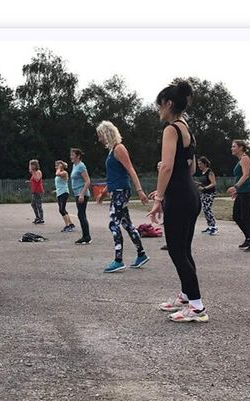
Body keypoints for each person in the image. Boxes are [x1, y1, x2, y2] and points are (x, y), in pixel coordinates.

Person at [147, 80, 207, 322]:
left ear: (169, 103)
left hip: (179, 198)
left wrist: (159, 197)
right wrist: (166, 176)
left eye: (160, 105)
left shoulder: (171, 129)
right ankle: (186, 296)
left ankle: (197, 307)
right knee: (183, 249)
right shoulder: (187, 129)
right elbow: (190, 168)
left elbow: (168, 167)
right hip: (189, 194)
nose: (159, 110)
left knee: (176, 250)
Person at [95, 121, 150, 272]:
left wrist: (139, 190)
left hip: (121, 192)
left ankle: (118, 260)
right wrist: (104, 193)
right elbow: (113, 177)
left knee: (114, 223)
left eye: (100, 136)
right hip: (116, 190)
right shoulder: (111, 150)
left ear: (107, 133)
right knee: (127, 224)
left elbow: (130, 170)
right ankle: (141, 254)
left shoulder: (119, 148)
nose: (99, 139)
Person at [228, 140, 250, 251]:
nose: (232, 148)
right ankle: (248, 238)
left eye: (233, 146)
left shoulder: (245, 159)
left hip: (247, 192)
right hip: (242, 192)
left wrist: (235, 187)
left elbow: (246, 176)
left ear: (240, 148)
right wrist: (237, 191)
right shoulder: (240, 160)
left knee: (245, 217)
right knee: (236, 216)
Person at [69, 148, 92, 244]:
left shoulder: (81, 166)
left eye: (72, 155)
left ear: (78, 156)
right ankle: (86, 236)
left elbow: (87, 181)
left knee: (81, 214)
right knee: (81, 214)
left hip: (82, 194)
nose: (71, 156)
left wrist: (82, 194)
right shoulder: (75, 166)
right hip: (77, 193)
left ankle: (86, 237)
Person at [195, 156, 218, 235]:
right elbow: (204, 182)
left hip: (210, 193)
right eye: (198, 164)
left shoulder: (209, 172)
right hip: (204, 193)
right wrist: (197, 184)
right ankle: (210, 226)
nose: (199, 165)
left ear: (205, 164)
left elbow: (213, 183)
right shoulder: (203, 173)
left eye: (200, 164)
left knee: (207, 209)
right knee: (205, 209)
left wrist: (204, 188)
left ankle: (214, 226)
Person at [53, 160, 75, 232]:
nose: (56, 167)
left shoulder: (64, 173)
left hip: (64, 192)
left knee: (61, 209)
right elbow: (60, 183)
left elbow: (57, 174)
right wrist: (56, 190)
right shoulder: (60, 172)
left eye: (57, 165)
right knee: (63, 209)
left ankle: (67, 226)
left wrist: (59, 168)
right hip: (60, 192)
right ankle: (71, 224)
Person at [28, 159, 44, 224]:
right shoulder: (34, 172)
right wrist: (29, 182)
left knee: (38, 205)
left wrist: (33, 172)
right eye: (31, 165)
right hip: (34, 191)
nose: (31, 166)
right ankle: (37, 217)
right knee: (33, 204)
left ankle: (41, 218)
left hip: (38, 190)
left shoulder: (38, 172)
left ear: (35, 165)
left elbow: (37, 179)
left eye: (32, 165)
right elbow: (34, 180)